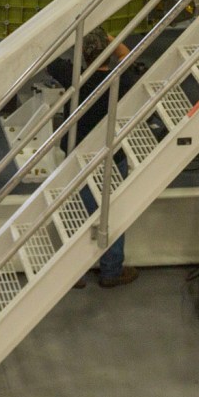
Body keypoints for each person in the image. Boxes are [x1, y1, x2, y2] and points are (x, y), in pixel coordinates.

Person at [44, 31, 139, 288]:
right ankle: (111, 271)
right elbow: (129, 55)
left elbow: (51, 58)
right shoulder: (122, 78)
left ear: (83, 56)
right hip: (110, 155)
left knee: (76, 213)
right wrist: (113, 41)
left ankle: (73, 273)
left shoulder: (75, 76)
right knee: (112, 213)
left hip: (78, 154)